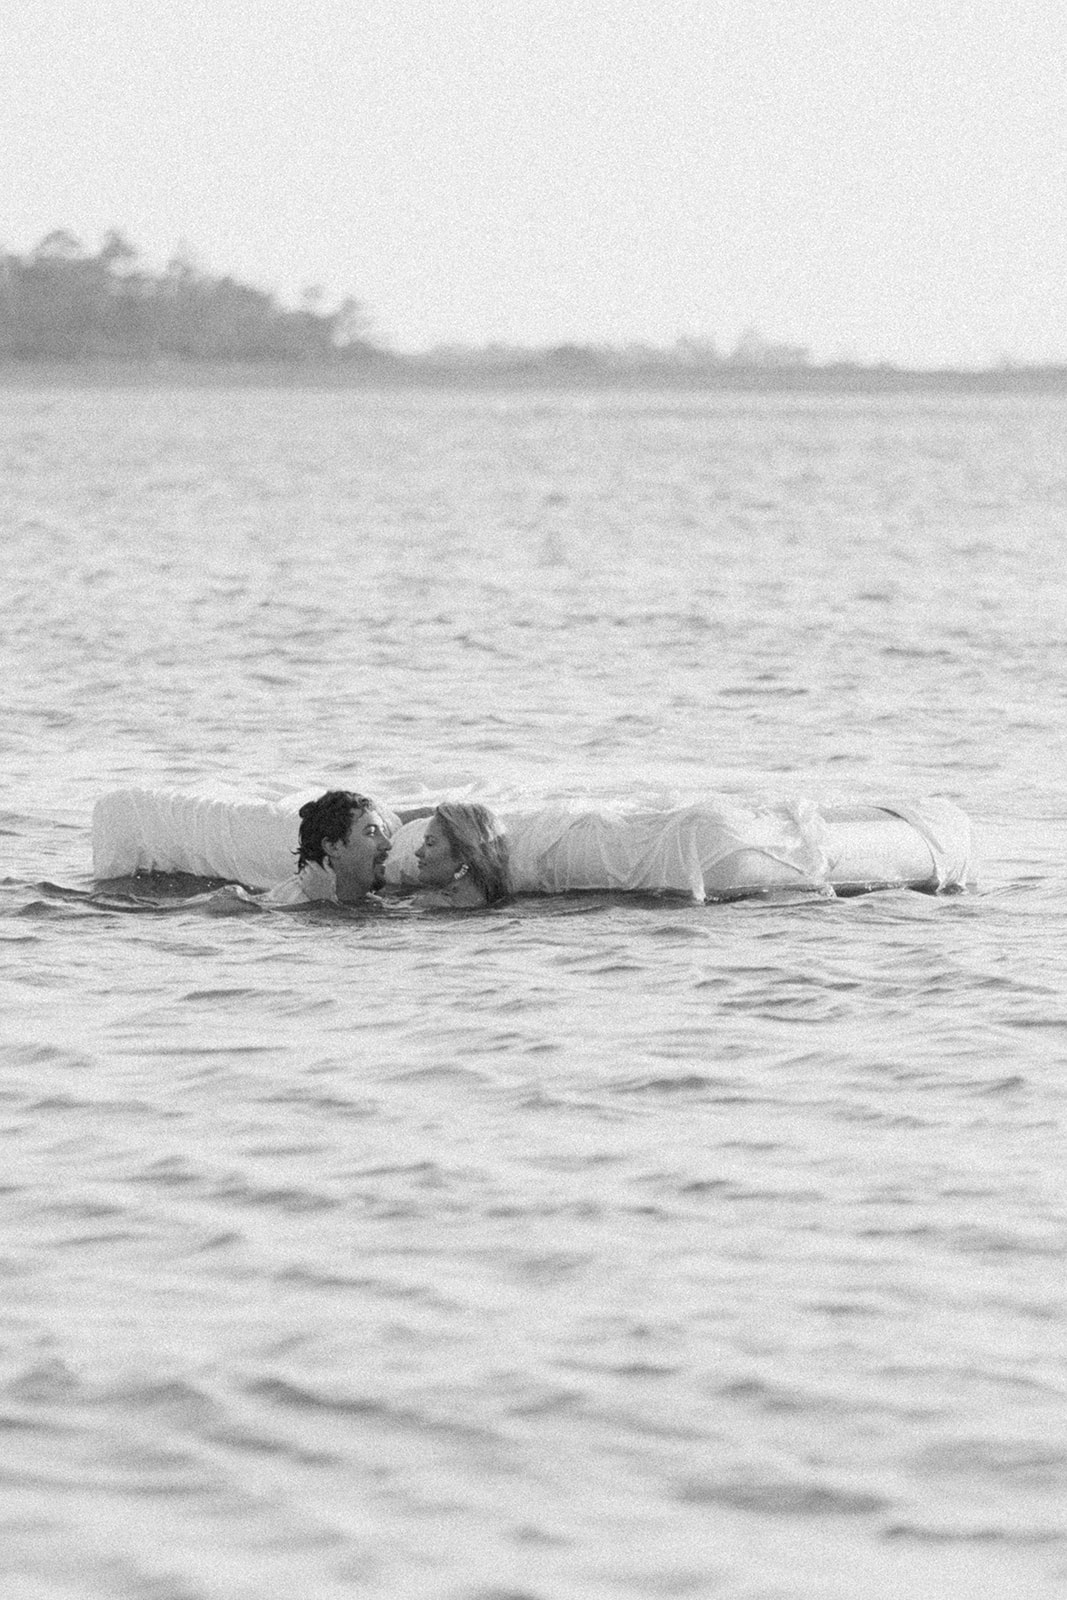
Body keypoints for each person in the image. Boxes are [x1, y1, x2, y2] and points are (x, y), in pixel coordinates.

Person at [261, 790, 394, 906]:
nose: (387, 844)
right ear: (333, 847)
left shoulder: (365, 900)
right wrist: (323, 906)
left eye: (383, 831)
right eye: (371, 832)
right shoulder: (294, 902)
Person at [412, 802, 511, 908]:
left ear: (463, 853)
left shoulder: (431, 903)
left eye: (430, 843)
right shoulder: (500, 902)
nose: (418, 852)